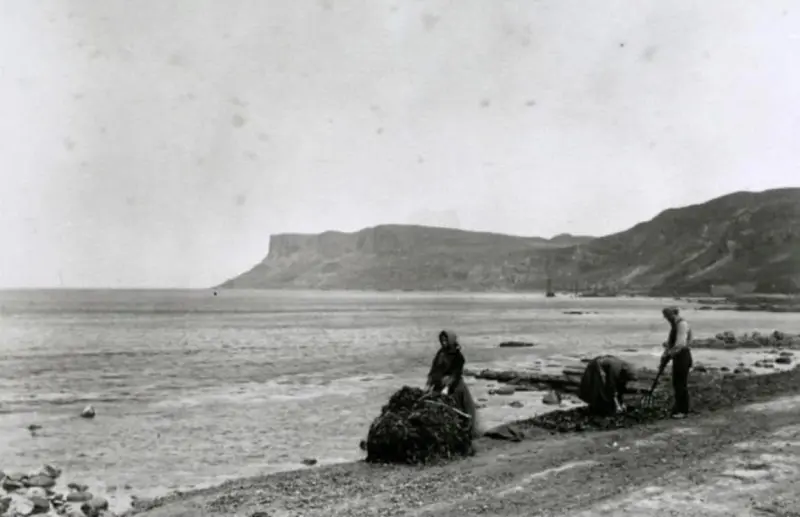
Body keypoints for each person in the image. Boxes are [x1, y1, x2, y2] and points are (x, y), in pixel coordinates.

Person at [426, 329, 480, 436]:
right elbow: (435, 368)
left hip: (454, 384)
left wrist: (447, 386)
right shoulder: (440, 353)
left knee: (462, 405)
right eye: (442, 340)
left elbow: (456, 372)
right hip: (439, 383)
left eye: (445, 340)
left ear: (450, 340)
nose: (443, 342)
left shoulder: (458, 356)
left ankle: (466, 428)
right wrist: (430, 381)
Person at [660, 306, 694, 419]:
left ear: (672, 314)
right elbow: (672, 344)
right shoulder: (674, 325)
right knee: (676, 383)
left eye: (667, 316)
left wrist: (669, 354)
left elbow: (680, 344)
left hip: (683, 356)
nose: (666, 319)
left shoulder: (681, 324)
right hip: (678, 357)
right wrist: (666, 353)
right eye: (665, 316)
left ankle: (683, 411)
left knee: (681, 384)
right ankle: (678, 407)